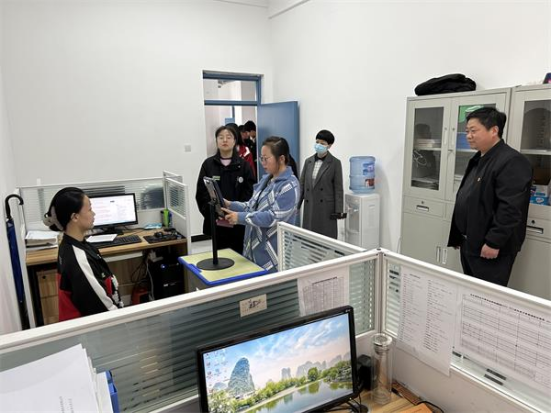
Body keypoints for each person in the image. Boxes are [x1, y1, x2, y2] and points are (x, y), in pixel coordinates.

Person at [448, 107, 532, 286]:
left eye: (473, 131)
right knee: (471, 292)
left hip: (490, 249)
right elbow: (469, 197)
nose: (468, 136)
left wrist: (494, 242)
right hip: (469, 243)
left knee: (487, 298)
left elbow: (510, 208)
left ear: (494, 130)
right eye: (467, 131)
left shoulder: (511, 161)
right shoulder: (479, 158)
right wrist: (458, 235)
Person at [42, 187, 123, 321]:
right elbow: (104, 311)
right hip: (93, 329)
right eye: (90, 209)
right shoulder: (79, 259)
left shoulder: (71, 244)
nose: (94, 214)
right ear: (75, 217)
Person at [222, 136, 300, 273]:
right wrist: (230, 204)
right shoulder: (267, 180)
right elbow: (251, 206)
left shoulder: (290, 186)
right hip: (254, 249)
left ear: (281, 159)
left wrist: (240, 217)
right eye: (261, 158)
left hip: (272, 254)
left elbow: (272, 217)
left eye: (266, 158)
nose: (263, 162)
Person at [196, 125, 255, 254]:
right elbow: (201, 193)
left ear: (235, 141)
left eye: (229, 137)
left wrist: (238, 213)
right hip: (217, 223)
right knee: (220, 257)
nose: (225, 140)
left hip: (238, 222)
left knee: (239, 257)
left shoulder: (244, 165)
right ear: (216, 141)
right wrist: (215, 214)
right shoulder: (208, 165)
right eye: (221, 137)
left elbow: (250, 192)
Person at [299, 130, 344, 239]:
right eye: (317, 142)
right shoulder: (308, 161)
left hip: (326, 208)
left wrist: (338, 211)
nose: (318, 145)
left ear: (329, 146)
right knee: (310, 238)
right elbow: (302, 185)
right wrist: (297, 205)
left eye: (322, 143)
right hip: (310, 204)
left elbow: (338, 189)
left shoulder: (335, 163)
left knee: (325, 238)